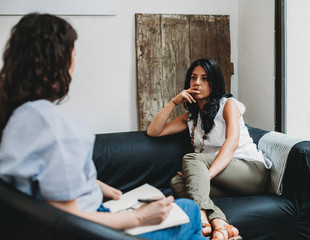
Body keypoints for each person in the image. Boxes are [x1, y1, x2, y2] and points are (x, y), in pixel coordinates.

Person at [0, 13, 206, 240]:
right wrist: (139, 217)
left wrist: (94, 184)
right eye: (73, 55)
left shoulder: (16, 116)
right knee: (189, 210)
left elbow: (46, 176)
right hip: (91, 228)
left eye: (204, 79)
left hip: (67, 222)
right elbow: (66, 219)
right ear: (59, 62)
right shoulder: (56, 126)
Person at [147, 59, 272, 240]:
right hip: (226, 179)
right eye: (193, 78)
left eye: (204, 78)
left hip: (251, 172)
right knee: (177, 182)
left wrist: (206, 174)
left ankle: (200, 217)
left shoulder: (228, 105)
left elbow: (232, 143)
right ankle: (221, 224)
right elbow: (154, 131)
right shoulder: (191, 117)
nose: (197, 82)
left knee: (192, 159)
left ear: (214, 83)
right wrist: (174, 102)